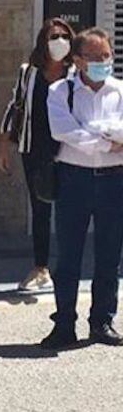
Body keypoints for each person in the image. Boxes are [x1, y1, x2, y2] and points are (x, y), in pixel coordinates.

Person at [43, 27, 123, 349]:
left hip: (113, 180)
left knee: (109, 254)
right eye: (94, 57)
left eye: (107, 56)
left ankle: (102, 321)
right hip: (73, 179)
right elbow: (64, 132)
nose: (103, 62)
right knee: (68, 255)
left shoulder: (119, 90)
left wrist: (98, 133)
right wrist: (108, 141)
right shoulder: (61, 91)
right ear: (77, 60)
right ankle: (64, 323)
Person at [0, 18, 75, 293]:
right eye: (54, 36)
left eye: (64, 36)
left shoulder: (76, 73)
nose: (60, 41)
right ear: (44, 40)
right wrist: (4, 146)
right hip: (34, 148)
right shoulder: (28, 72)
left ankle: (68, 267)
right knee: (40, 208)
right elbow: (15, 106)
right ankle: (40, 267)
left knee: (70, 210)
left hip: (69, 150)